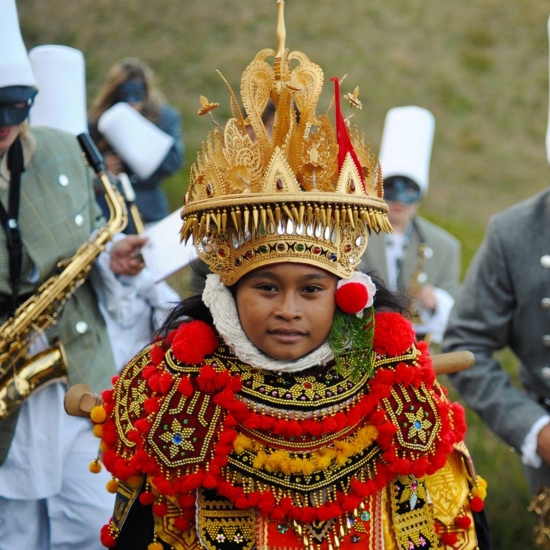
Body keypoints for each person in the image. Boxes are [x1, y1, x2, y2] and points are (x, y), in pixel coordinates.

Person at [76, 3, 489, 549]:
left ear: (344, 294)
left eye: (311, 289)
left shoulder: (400, 394)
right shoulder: (178, 395)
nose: (289, 309)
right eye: (266, 287)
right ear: (229, 287)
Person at [0, 1, 148, 548]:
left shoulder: (60, 161)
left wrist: (115, 263)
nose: (8, 125)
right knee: (16, 531)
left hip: (78, 373)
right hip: (13, 394)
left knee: (92, 523)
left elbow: (93, 260)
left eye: (19, 108)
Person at [360, 106, 461, 346]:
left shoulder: (445, 247)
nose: (398, 200)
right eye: (391, 187)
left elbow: (457, 315)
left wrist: (437, 302)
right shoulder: (350, 233)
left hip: (415, 354)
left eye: (409, 190)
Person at [88, 57, 184, 232]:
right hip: (109, 212)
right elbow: (79, 170)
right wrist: (103, 168)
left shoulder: (163, 118)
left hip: (148, 208)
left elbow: (173, 162)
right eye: (126, 95)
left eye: (137, 95)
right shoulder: (95, 121)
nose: (132, 102)